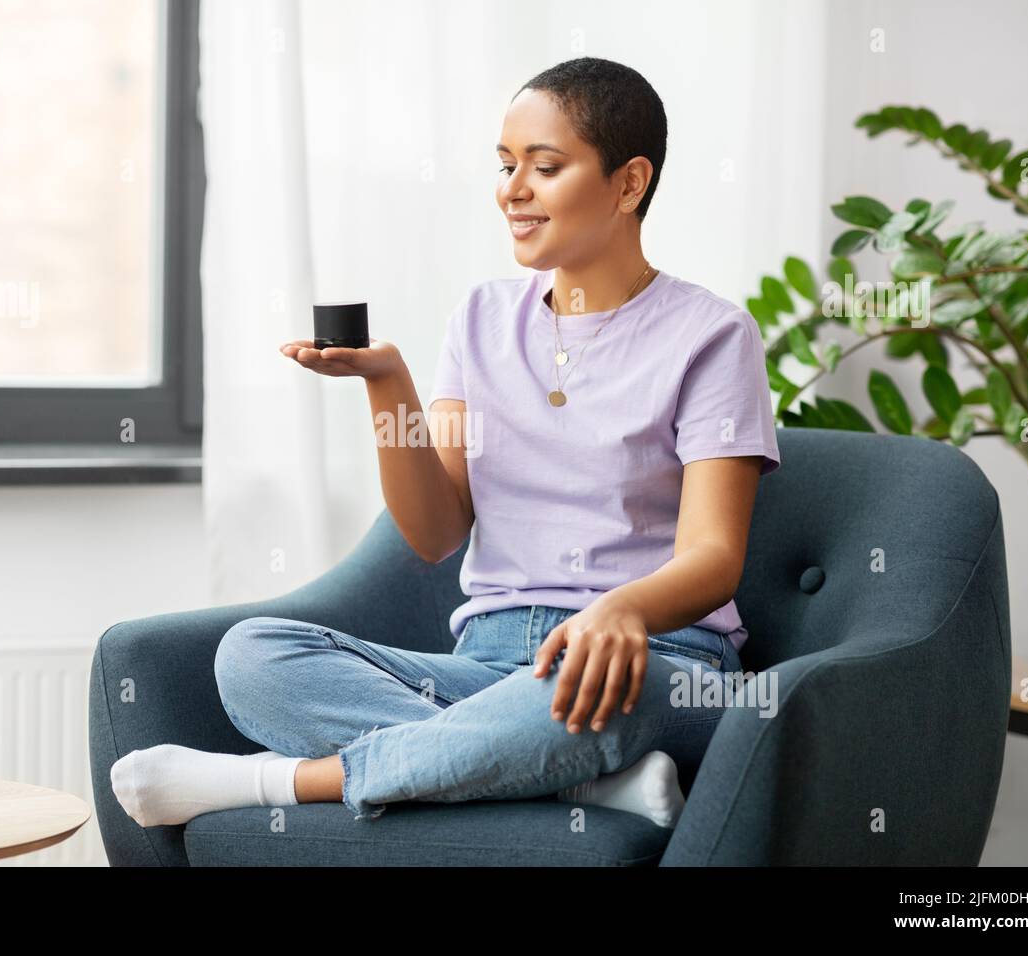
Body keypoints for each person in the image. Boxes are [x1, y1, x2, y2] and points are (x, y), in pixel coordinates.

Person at [110, 56, 780, 832]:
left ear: (629, 184)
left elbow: (713, 555)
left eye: (545, 166)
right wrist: (386, 384)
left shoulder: (713, 335)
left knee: (592, 699)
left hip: (651, 661)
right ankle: (566, 781)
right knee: (254, 657)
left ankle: (281, 782)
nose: (512, 190)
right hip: (488, 669)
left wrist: (621, 612)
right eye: (505, 165)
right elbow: (434, 532)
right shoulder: (481, 320)